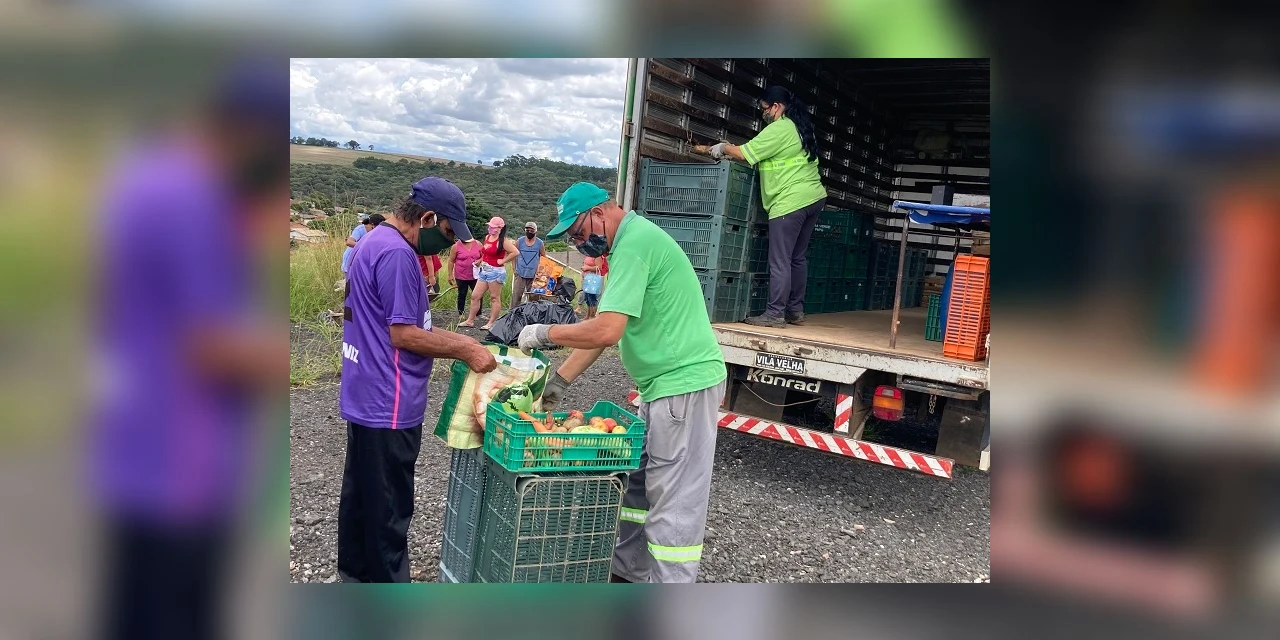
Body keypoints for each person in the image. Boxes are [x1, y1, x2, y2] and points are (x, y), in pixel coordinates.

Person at [519, 183, 727, 583]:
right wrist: (559, 380)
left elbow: (607, 331)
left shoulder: (634, 245)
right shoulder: (627, 246)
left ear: (600, 213)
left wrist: (544, 333)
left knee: (674, 502)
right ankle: (627, 575)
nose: (580, 244)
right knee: (636, 488)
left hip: (683, 385)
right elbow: (607, 327)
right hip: (660, 388)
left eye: (579, 233)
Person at [338, 176, 497, 583]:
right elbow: (404, 334)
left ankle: (355, 578)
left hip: (364, 391)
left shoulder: (373, 242)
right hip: (389, 398)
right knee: (389, 509)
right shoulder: (398, 254)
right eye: (447, 232)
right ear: (427, 218)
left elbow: (404, 324)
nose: (448, 242)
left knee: (362, 498)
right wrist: (465, 349)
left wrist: (464, 339)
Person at [710, 85, 828, 327]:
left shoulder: (780, 128)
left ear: (776, 106)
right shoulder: (801, 127)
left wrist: (723, 148)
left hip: (790, 202)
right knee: (797, 257)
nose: (763, 114)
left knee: (780, 260)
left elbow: (746, 153)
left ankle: (775, 314)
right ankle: (795, 311)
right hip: (813, 197)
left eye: (764, 109)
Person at [459, 216, 518, 331]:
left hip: (496, 272)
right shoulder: (487, 237)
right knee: (475, 296)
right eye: (490, 226)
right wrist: (480, 261)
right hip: (484, 270)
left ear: (500, 228)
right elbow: (485, 253)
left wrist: (503, 261)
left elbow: (515, 252)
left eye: (493, 227)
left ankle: (491, 322)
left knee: (494, 297)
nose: (490, 229)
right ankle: (470, 320)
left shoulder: (503, 241)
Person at [510, 221, 546, 304]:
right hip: (520, 273)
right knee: (516, 295)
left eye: (531, 230)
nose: (529, 232)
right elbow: (513, 255)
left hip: (534, 274)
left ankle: (533, 314)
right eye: (527, 230)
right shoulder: (519, 241)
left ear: (535, 231)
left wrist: (541, 273)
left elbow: (544, 257)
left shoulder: (540, 243)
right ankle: (513, 313)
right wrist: (514, 269)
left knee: (534, 297)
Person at [448, 235, 482, 317]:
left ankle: (478, 313)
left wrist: (480, 260)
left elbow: (485, 255)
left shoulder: (477, 244)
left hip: (475, 275)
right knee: (462, 294)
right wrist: (450, 275)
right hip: (461, 275)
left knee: (478, 294)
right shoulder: (456, 246)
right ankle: (461, 313)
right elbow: (451, 261)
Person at [579, 254, 608, 319]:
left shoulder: (597, 255)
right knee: (587, 298)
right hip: (587, 279)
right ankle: (588, 315)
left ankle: (592, 316)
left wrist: (587, 268)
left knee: (592, 298)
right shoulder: (588, 255)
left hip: (592, 280)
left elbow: (599, 268)